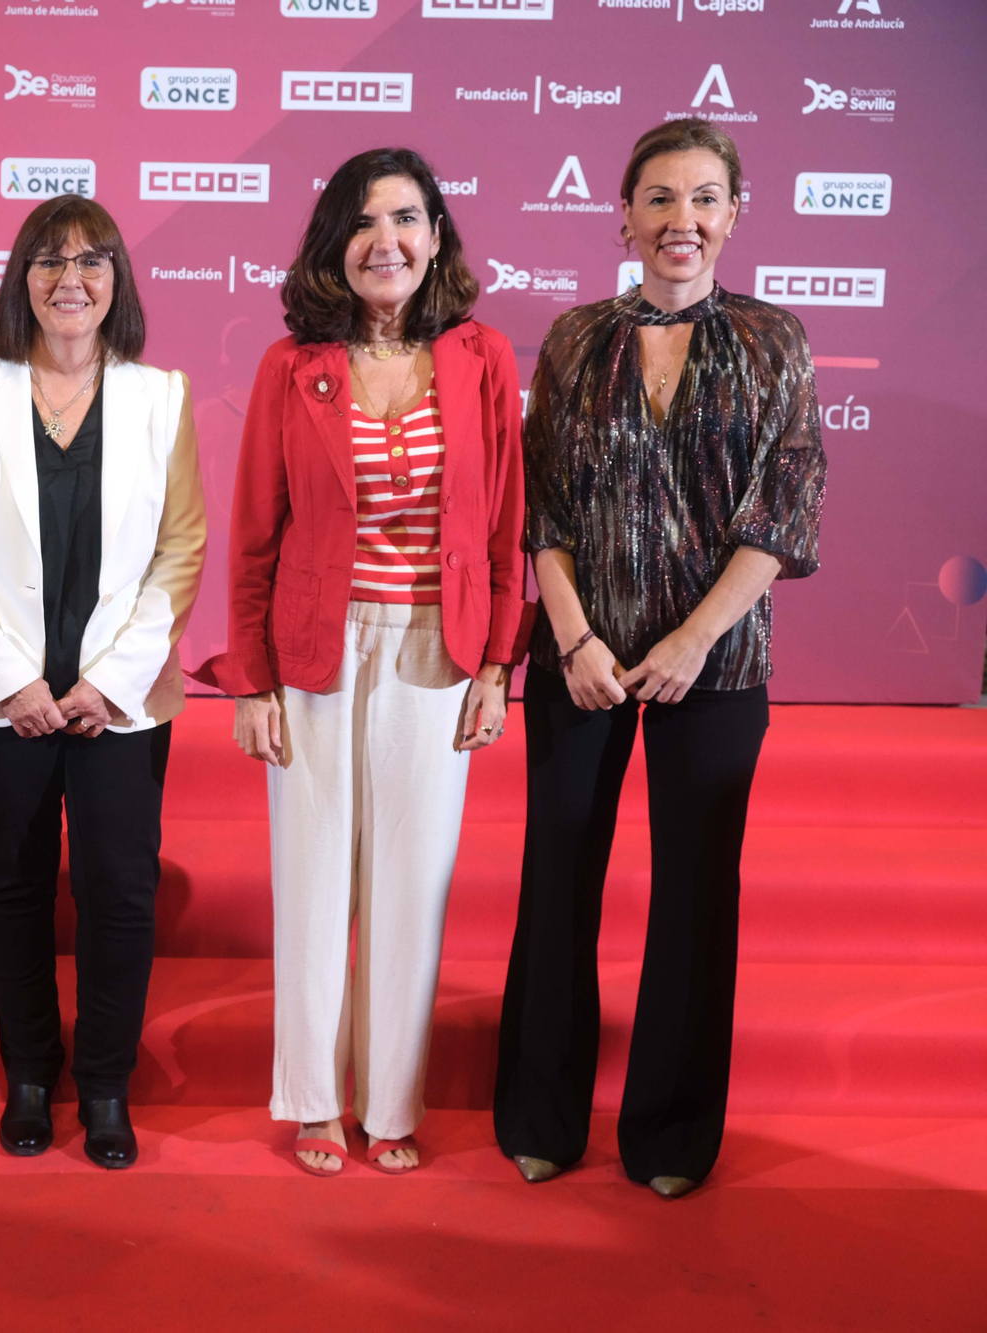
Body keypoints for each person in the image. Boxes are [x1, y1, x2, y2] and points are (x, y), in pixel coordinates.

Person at [494, 120, 827, 1199]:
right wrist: (576, 639)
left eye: (700, 198)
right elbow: (537, 508)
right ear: (622, 214)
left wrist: (691, 641)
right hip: (577, 660)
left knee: (692, 896)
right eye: (656, 198)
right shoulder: (573, 335)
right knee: (556, 882)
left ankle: (672, 1136)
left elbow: (780, 517)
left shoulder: (777, 342)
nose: (678, 220)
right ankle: (540, 1117)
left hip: (715, 669)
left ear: (732, 214)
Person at [194, 148, 525, 1177]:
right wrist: (249, 681)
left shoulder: (482, 356)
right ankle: (309, 1100)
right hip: (313, 652)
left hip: (437, 648)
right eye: (363, 222)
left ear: (435, 237)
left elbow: (508, 519)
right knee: (312, 880)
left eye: (406, 220)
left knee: (408, 887)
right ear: (333, 245)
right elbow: (254, 531)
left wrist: (493, 668)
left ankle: (388, 1105)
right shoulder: (292, 366)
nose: (386, 242)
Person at [0, 194, 207, 1170]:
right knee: (11, 882)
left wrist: (108, 680)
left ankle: (107, 1083)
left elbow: (180, 548)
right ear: (19, 278)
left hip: (116, 700)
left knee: (119, 888)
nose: (68, 278)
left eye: (89, 260)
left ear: (116, 279)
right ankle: (31, 1073)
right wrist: (10, 680)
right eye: (46, 260)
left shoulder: (159, 396)